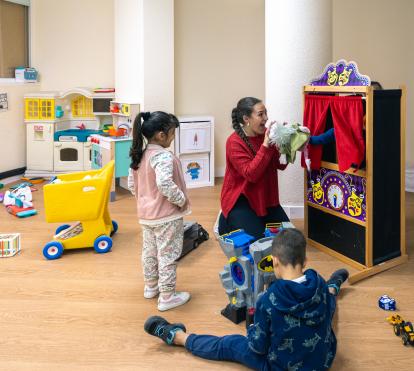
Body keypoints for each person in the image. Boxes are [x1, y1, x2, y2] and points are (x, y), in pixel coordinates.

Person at [144, 228, 349, 370]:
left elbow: (257, 346)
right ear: (305, 260)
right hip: (323, 362)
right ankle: (334, 284)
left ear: (274, 262)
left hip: (280, 367)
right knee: (328, 303)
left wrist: (250, 327)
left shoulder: (267, 300)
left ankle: (177, 336)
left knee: (229, 344)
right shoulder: (318, 282)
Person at [128, 111, 191, 311]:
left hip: (146, 215)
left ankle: (151, 286)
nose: (173, 138)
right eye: (172, 134)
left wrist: (145, 200)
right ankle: (167, 296)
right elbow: (164, 183)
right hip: (166, 216)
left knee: (150, 251)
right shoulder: (162, 156)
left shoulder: (140, 154)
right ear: (161, 135)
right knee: (168, 254)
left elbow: (132, 184)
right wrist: (180, 199)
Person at [218, 97, 289, 240]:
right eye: (260, 114)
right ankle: (225, 220)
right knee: (258, 242)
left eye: (266, 113)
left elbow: (280, 165)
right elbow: (251, 174)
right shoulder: (234, 142)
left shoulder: (266, 136)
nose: (266, 118)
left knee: (289, 240)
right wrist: (266, 145)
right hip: (242, 200)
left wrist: (286, 144)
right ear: (246, 119)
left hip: (265, 200)